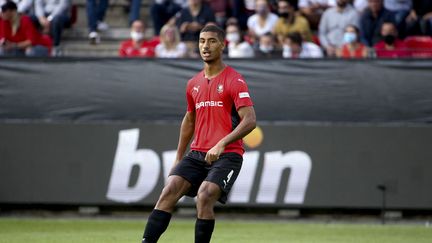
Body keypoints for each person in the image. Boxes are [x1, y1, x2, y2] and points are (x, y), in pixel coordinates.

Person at [141, 24, 256, 243]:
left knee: (204, 196)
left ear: (223, 45)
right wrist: (178, 157)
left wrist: (221, 144)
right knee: (169, 190)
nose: (206, 46)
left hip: (228, 155)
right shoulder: (193, 83)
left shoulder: (234, 80)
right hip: (197, 153)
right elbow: (189, 120)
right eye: (202, 41)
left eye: (212, 41)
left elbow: (250, 121)